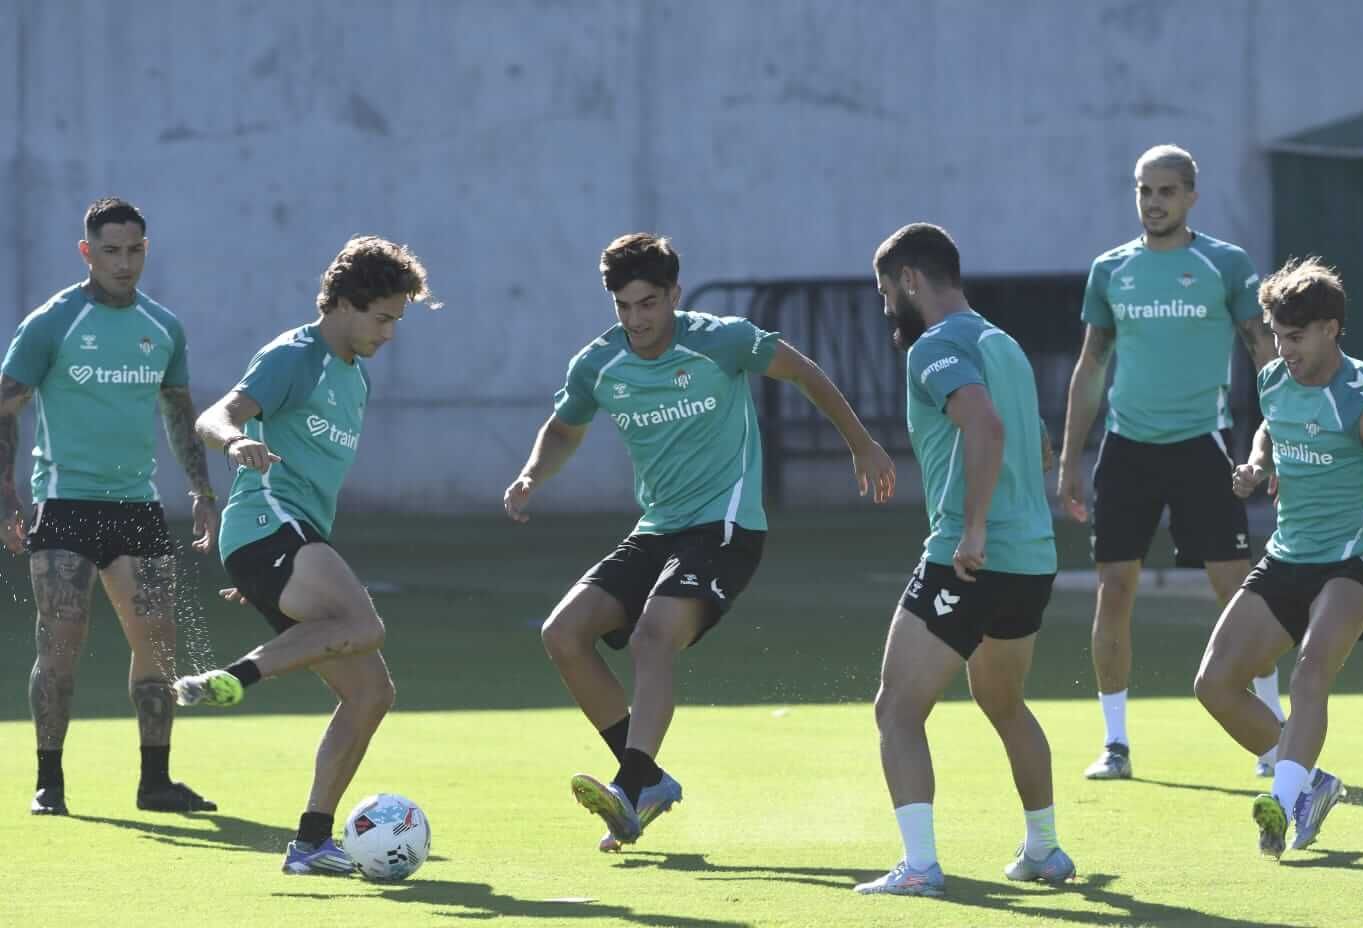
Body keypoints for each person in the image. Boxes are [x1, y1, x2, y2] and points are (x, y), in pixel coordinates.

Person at [503, 233, 895, 852]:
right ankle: (647, 778)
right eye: (624, 306)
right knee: (563, 634)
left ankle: (631, 787)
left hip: (726, 525)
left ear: (674, 296)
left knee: (653, 635)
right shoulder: (599, 364)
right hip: (656, 528)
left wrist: (861, 444)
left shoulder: (722, 340)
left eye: (649, 304)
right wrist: (532, 473)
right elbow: (563, 428)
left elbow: (806, 373)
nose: (636, 319)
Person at [171, 236, 437, 875]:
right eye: (383, 318)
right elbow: (218, 414)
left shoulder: (356, 379)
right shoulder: (296, 354)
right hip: (270, 523)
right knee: (366, 625)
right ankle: (236, 676)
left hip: (279, 546)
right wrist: (235, 443)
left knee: (372, 693)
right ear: (344, 303)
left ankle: (311, 843)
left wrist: (268, 579)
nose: (391, 332)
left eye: (397, 320)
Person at [854, 223, 1073, 898]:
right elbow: (1037, 445)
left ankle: (919, 866)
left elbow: (986, 425)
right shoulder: (1001, 344)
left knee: (896, 710)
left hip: (969, 560)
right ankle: (1044, 850)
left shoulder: (936, 345)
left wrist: (973, 527)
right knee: (1003, 700)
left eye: (887, 288)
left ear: (910, 281)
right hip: (1032, 559)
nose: (886, 301)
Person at [1056, 144, 1283, 781]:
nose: (1153, 202)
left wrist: (1283, 441)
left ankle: (1273, 736)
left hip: (1201, 447)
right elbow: (1091, 365)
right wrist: (1071, 457)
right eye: (1143, 190)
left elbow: (1264, 356)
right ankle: (1116, 743)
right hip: (1126, 449)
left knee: (1238, 594)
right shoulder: (1111, 269)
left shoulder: (1225, 265)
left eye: (1166, 191)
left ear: (1190, 196)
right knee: (1115, 589)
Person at [0, 197, 218, 816]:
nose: (125, 263)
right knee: (60, 647)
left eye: (135, 250)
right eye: (111, 251)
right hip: (65, 507)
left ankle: (156, 782)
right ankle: (50, 782)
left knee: (158, 648)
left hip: (136, 509)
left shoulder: (163, 327)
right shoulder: (52, 322)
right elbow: (4, 410)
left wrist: (202, 492)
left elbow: (179, 415)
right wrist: (7, 495)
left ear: (146, 249)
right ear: (87, 252)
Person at [1194, 257, 1363, 858]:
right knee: (1214, 684)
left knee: (1310, 672)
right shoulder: (1275, 378)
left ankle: (1280, 804)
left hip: (1352, 559)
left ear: (1331, 328)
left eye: (1296, 336)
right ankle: (1312, 784)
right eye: (1276, 335)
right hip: (1287, 555)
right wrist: (1259, 462)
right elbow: (1271, 427)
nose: (1284, 348)